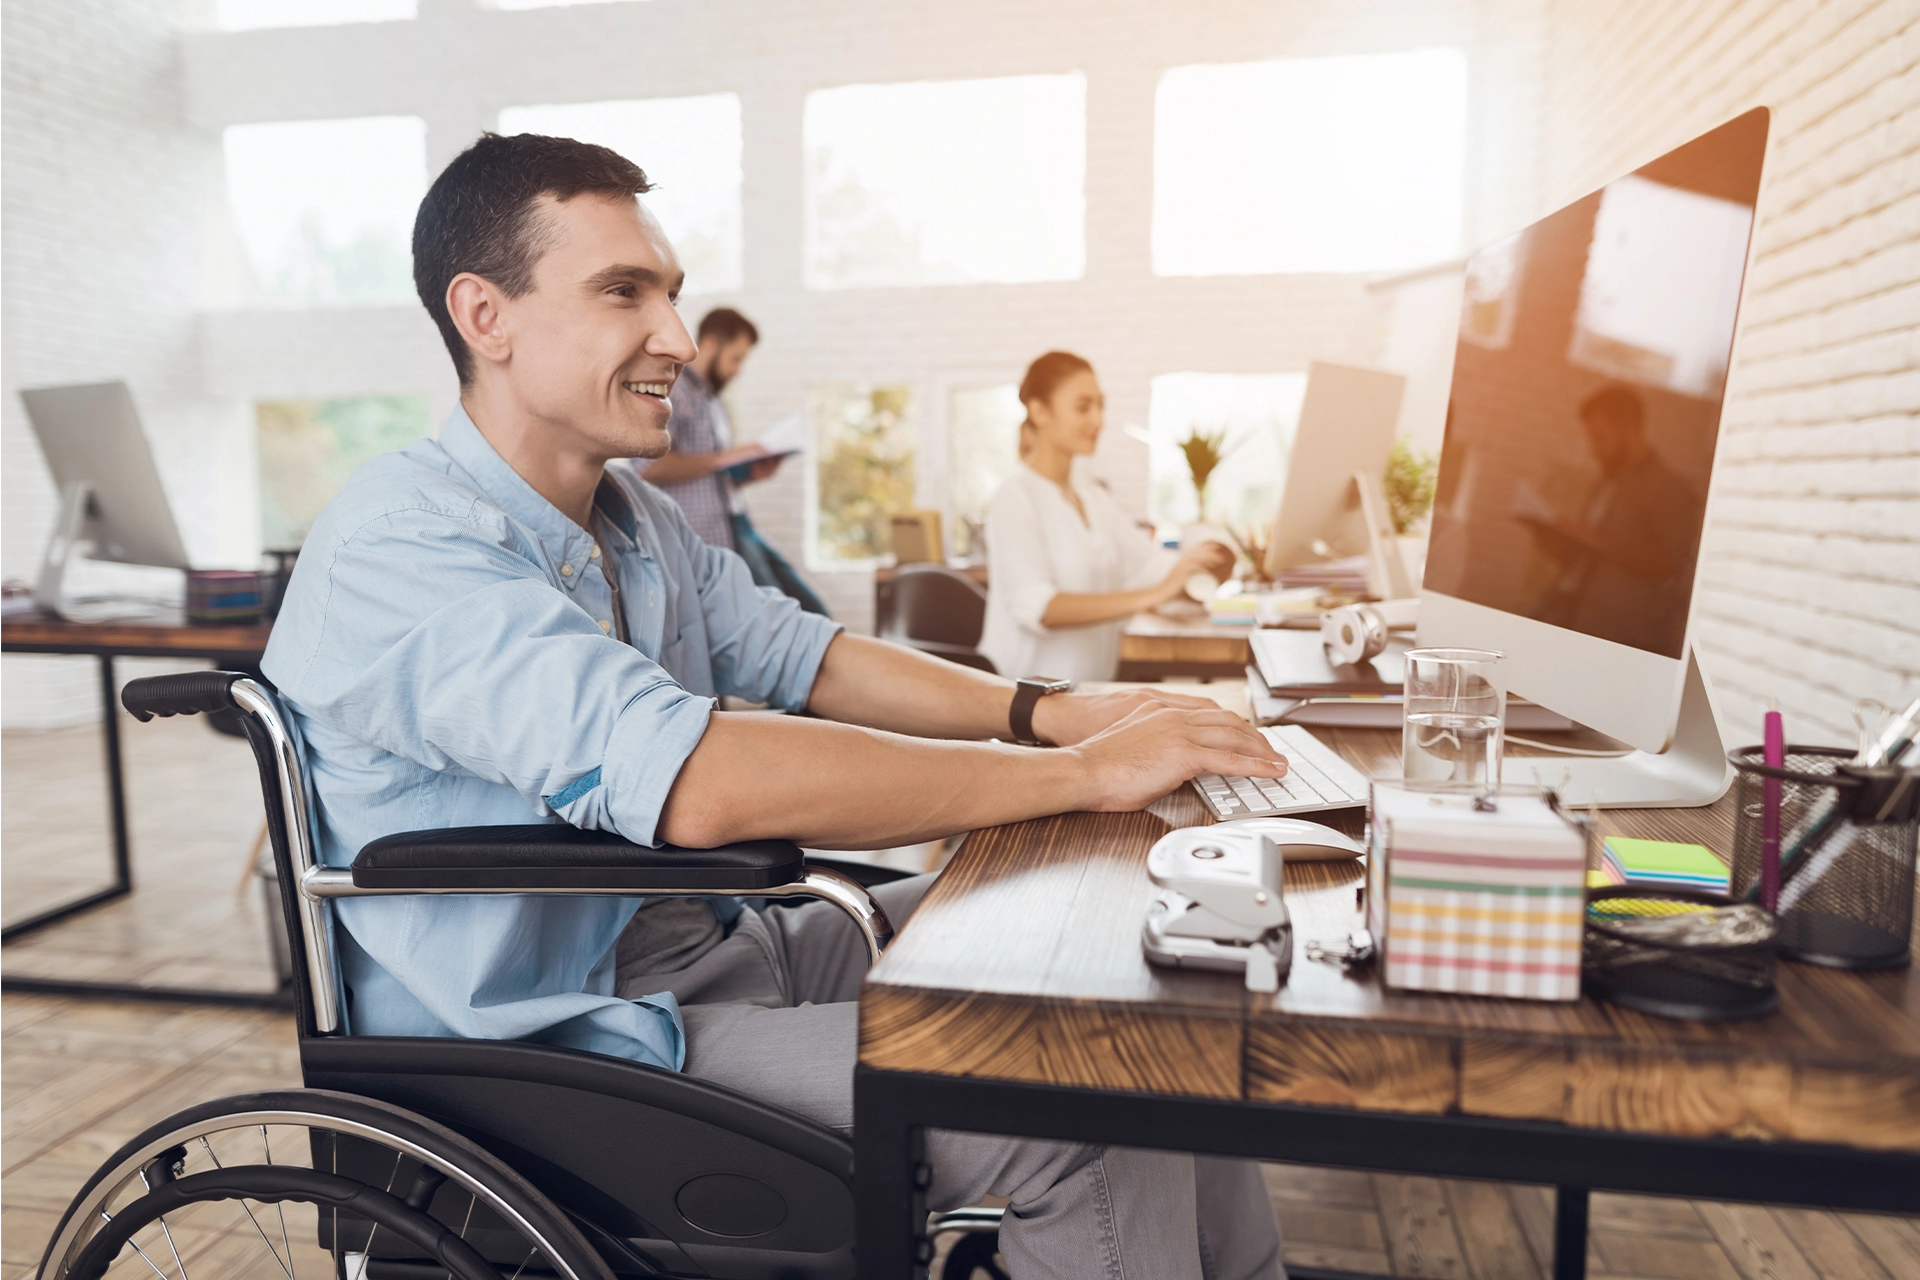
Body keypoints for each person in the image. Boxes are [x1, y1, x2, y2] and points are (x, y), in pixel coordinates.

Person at [260, 133, 1288, 1279]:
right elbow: (700, 779)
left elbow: (811, 654)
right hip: (562, 1043)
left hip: (716, 942)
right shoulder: (404, 546)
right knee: (1078, 1096)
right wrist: (1077, 780)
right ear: (484, 315)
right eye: (622, 292)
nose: (678, 341)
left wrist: (1053, 712)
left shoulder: (634, 520)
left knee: (1140, 1023)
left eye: (671, 294)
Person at [980, 352, 1236, 682]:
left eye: (1101, 405)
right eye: (1083, 407)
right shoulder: (1014, 498)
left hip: (1089, 697)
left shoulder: (1092, 496)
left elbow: (1153, 567)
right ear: (1039, 411)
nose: (1098, 419)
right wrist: (1155, 594)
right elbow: (1040, 608)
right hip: (1026, 701)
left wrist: (1209, 550)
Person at [618, 307, 829, 615]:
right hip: (707, 535)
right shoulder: (674, 393)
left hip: (737, 521)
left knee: (810, 609)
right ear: (711, 344)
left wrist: (747, 471)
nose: (738, 370)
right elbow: (649, 466)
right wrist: (727, 457)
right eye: (736, 358)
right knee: (778, 618)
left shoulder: (713, 400)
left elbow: (710, 472)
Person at [1521, 383, 1701, 656]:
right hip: (1568, 617)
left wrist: (1594, 539)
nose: (1593, 449)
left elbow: (1669, 564)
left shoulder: (1673, 490)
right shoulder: (1605, 483)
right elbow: (1593, 560)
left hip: (1620, 641)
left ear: (1629, 429)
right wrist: (1558, 545)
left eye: (1599, 437)